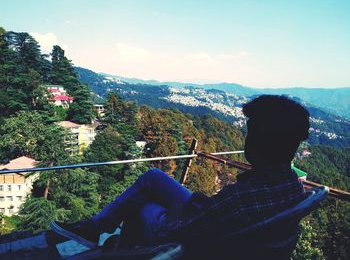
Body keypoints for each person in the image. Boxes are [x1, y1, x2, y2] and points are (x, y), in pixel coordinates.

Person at [51, 95, 310, 253]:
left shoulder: (240, 197)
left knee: (144, 206)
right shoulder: (294, 187)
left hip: (191, 241)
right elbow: (225, 215)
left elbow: (179, 233)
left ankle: (107, 239)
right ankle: (99, 231)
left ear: (260, 140)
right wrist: (206, 204)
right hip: (222, 228)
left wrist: (178, 211)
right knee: (154, 178)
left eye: (250, 131)